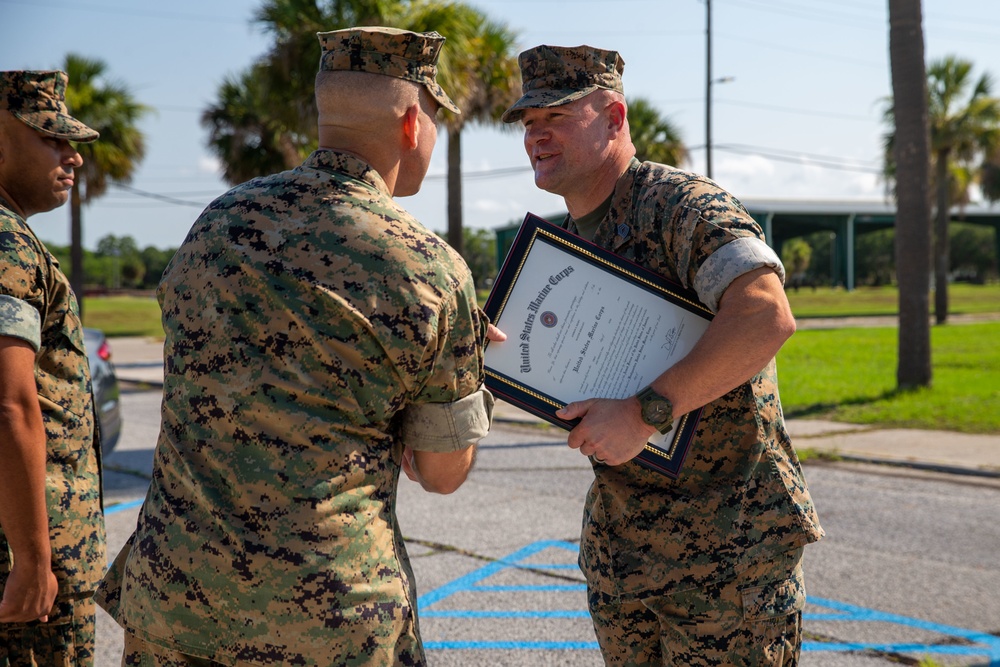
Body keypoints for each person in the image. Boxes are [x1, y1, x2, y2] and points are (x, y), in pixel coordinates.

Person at [95, 26, 495, 666]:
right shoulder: (430, 270)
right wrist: (467, 363)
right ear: (412, 123)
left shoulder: (217, 223)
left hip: (174, 600)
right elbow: (443, 473)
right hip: (327, 622)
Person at [501, 45, 824, 666]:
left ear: (614, 117)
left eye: (557, 117)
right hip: (624, 558)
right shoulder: (561, 248)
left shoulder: (682, 207)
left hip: (727, 562)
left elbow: (765, 314)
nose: (536, 136)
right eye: (529, 122)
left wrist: (643, 413)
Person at [0, 70, 106, 666]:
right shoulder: (6, 244)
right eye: (51, 138)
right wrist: (34, 559)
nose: (73, 157)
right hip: (26, 560)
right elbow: (9, 405)